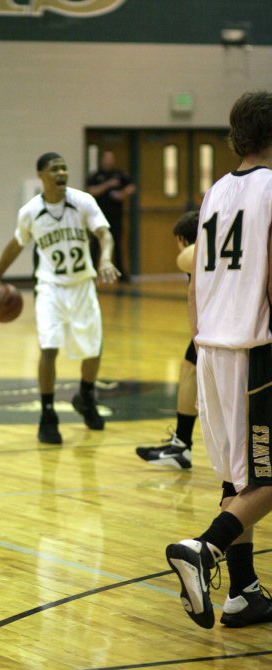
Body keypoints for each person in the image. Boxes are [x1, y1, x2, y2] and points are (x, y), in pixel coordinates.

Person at [165, 91, 272, 630]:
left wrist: (202, 340)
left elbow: (195, 280)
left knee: (240, 477)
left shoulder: (214, 193)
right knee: (270, 476)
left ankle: (244, 591)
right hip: (258, 351)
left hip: (211, 345)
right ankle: (203, 550)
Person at [0, 152, 120, 445]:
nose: (61, 173)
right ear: (42, 175)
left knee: (94, 349)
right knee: (49, 348)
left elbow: (104, 234)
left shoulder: (83, 201)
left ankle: (85, 397)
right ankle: (47, 415)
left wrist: (106, 259)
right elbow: (16, 244)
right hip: (49, 288)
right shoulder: (31, 211)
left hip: (82, 284)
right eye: (54, 169)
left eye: (64, 168)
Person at [136, 210, 199, 470]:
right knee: (189, 369)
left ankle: (182, 446)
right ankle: (181, 445)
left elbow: (187, 257)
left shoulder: (199, 252)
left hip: (224, 328)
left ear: (182, 239)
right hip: (216, 328)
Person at [86, 150, 136, 282]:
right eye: (107, 158)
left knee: (117, 245)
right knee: (95, 246)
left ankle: (121, 275)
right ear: (102, 160)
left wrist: (122, 193)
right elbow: (91, 191)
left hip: (116, 216)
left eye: (111, 158)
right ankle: (91, 274)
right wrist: (108, 185)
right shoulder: (96, 175)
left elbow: (131, 187)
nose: (109, 160)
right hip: (98, 217)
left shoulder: (119, 174)